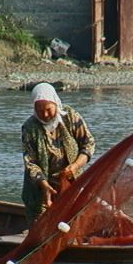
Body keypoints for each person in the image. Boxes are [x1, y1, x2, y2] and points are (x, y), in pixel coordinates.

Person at [21, 82, 96, 225]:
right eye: (39, 110)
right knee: (41, 228)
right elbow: (30, 163)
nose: (45, 114)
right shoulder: (30, 128)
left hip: (70, 183)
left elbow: (88, 143)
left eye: (48, 109)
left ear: (55, 103)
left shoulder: (70, 117)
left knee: (73, 222)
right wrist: (43, 185)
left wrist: (75, 166)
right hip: (40, 190)